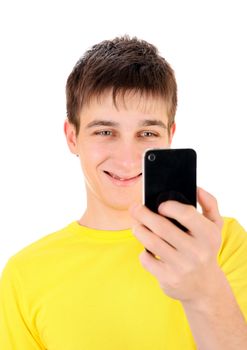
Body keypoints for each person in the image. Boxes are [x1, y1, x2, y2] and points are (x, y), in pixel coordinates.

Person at [0, 35, 246, 350]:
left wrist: (205, 291)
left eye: (147, 133)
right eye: (105, 132)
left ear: (170, 136)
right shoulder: (24, 274)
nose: (128, 159)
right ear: (72, 137)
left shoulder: (220, 244)